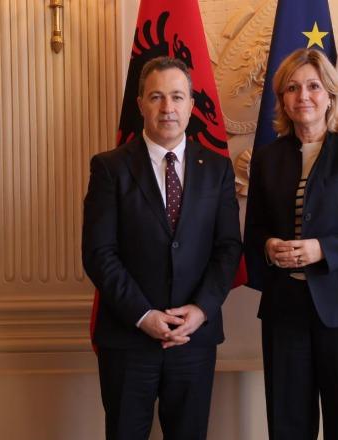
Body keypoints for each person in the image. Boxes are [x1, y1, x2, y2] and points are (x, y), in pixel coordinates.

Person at [82, 56, 241, 440]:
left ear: (191, 104)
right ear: (141, 104)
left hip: (194, 339)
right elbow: (99, 254)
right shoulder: (109, 168)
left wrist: (201, 310)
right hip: (129, 338)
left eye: (177, 96)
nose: (167, 107)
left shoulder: (217, 168)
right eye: (156, 97)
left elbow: (227, 248)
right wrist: (143, 315)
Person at [244, 48, 338, 440]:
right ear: (282, 99)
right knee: (288, 425)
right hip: (285, 311)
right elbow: (255, 229)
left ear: (329, 94)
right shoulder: (267, 159)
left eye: (313, 86)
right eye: (292, 88)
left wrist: (322, 249)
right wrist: (269, 245)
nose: (303, 96)